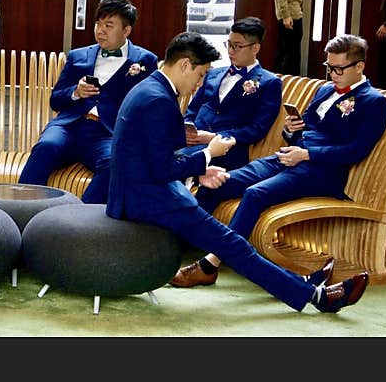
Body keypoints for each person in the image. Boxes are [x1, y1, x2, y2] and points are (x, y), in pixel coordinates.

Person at [106, 31, 369, 314]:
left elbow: (154, 155)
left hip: (142, 190)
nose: (200, 83)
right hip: (149, 197)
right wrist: (209, 155)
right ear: (185, 64)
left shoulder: (150, 89)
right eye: (201, 74)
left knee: (231, 242)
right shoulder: (159, 100)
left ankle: (304, 287)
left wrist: (201, 170)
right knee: (233, 245)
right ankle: (317, 298)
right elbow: (161, 167)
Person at [182, 34, 386, 287]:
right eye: (329, 68)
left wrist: (307, 154)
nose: (332, 75)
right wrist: (292, 130)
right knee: (220, 180)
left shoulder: (374, 102)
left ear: (359, 67)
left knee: (255, 194)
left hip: (321, 172)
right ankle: (183, 239)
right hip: (289, 157)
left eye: (338, 69)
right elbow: (303, 132)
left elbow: (357, 149)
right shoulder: (324, 90)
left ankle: (211, 264)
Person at [18, 0, 158, 203]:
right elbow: (55, 100)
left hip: (107, 133)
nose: (100, 31)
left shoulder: (145, 60)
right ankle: (21, 209)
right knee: (46, 147)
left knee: (116, 164)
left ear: (126, 30)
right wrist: (76, 92)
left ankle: (81, 221)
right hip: (68, 127)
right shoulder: (77, 56)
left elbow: (150, 106)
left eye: (109, 25)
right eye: (98, 24)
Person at [181, 16, 282, 172]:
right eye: (229, 45)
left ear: (255, 48)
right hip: (191, 140)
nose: (230, 51)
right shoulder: (213, 73)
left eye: (237, 46)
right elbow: (192, 109)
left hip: (226, 149)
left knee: (174, 160)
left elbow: (256, 129)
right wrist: (188, 127)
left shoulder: (269, 83)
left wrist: (215, 137)